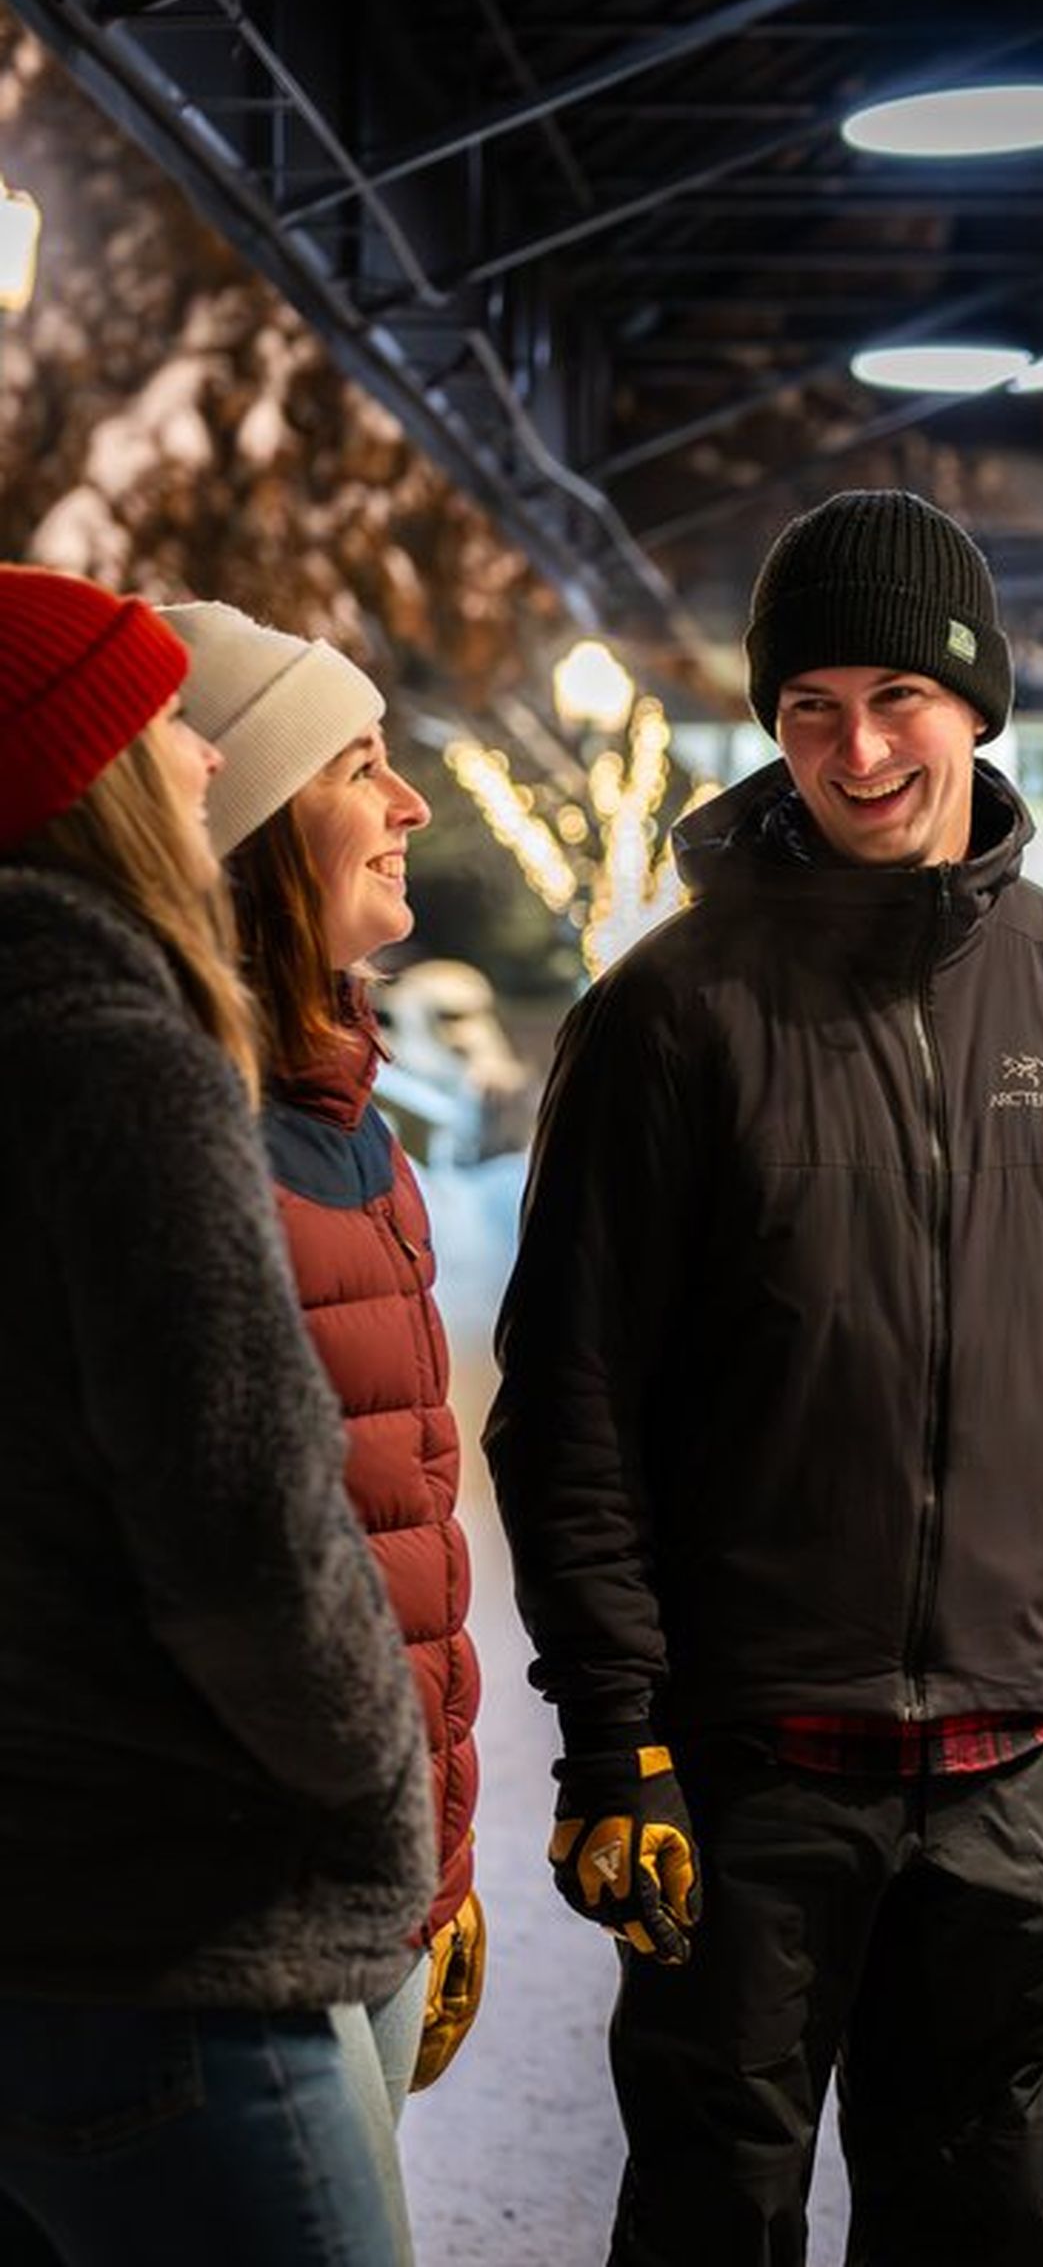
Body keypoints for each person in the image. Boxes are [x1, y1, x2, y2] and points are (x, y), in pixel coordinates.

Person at [485, 489, 1043, 2267]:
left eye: (897, 697)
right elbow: (570, 1409)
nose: (855, 748)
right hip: (741, 1781)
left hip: (1004, 1777)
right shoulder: (668, 1020)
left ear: (978, 702)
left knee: (983, 2234)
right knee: (714, 2224)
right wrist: (613, 1738)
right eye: (808, 708)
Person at [0, 564, 435, 2265]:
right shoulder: (125, 1056)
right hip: (192, 1927)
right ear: (99, 776)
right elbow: (246, 1525)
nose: (196, 758)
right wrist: (376, 1784)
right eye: (164, 725)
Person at [157, 600, 485, 2121]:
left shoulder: (352, 1119)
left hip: (377, 1870)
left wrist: (443, 1865)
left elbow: (399, 1529)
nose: (410, 802)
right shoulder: (185, 1130)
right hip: (252, 1904)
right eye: (361, 765)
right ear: (257, 821)